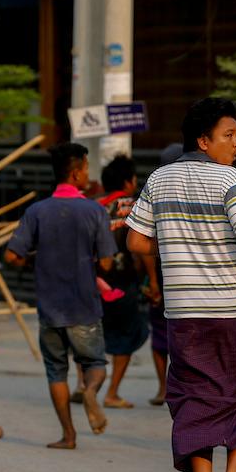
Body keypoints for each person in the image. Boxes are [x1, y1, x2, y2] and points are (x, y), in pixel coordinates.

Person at [126, 97, 236, 472]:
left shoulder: (158, 179)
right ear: (203, 140)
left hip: (183, 313)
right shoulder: (229, 179)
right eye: (229, 135)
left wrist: (174, 248)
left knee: (194, 397)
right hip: (229, 309)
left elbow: (136, 243)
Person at [5, 142, 116, 449]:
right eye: (86, 169)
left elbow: (12, 256)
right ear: (77, 172)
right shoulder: (95, 211)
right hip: (84, 305)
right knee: (94, 363)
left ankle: (68, 435)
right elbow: (107, 262)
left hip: (50, 307)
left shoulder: (37, 211)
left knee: (56, 370)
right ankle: (91, 390)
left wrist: (35, 259)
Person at [97, 154, 149, 409]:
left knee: (94, 333)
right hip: (125, 282)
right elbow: (142, 248)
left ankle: (84, 386)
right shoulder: (136, 205)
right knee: (127, 335)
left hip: (95, 283)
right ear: (128, 181)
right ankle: (112, 392)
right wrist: (153, 283)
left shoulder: (94, 206)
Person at [143, 141, 186, 406]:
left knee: (164, 334)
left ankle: (166, 388)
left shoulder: (155, 191)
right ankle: (167, 388)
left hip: (168, 276)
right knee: (168, 334)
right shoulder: (157, 195)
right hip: (172, 276)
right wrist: (155, 282)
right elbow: (145, 244)